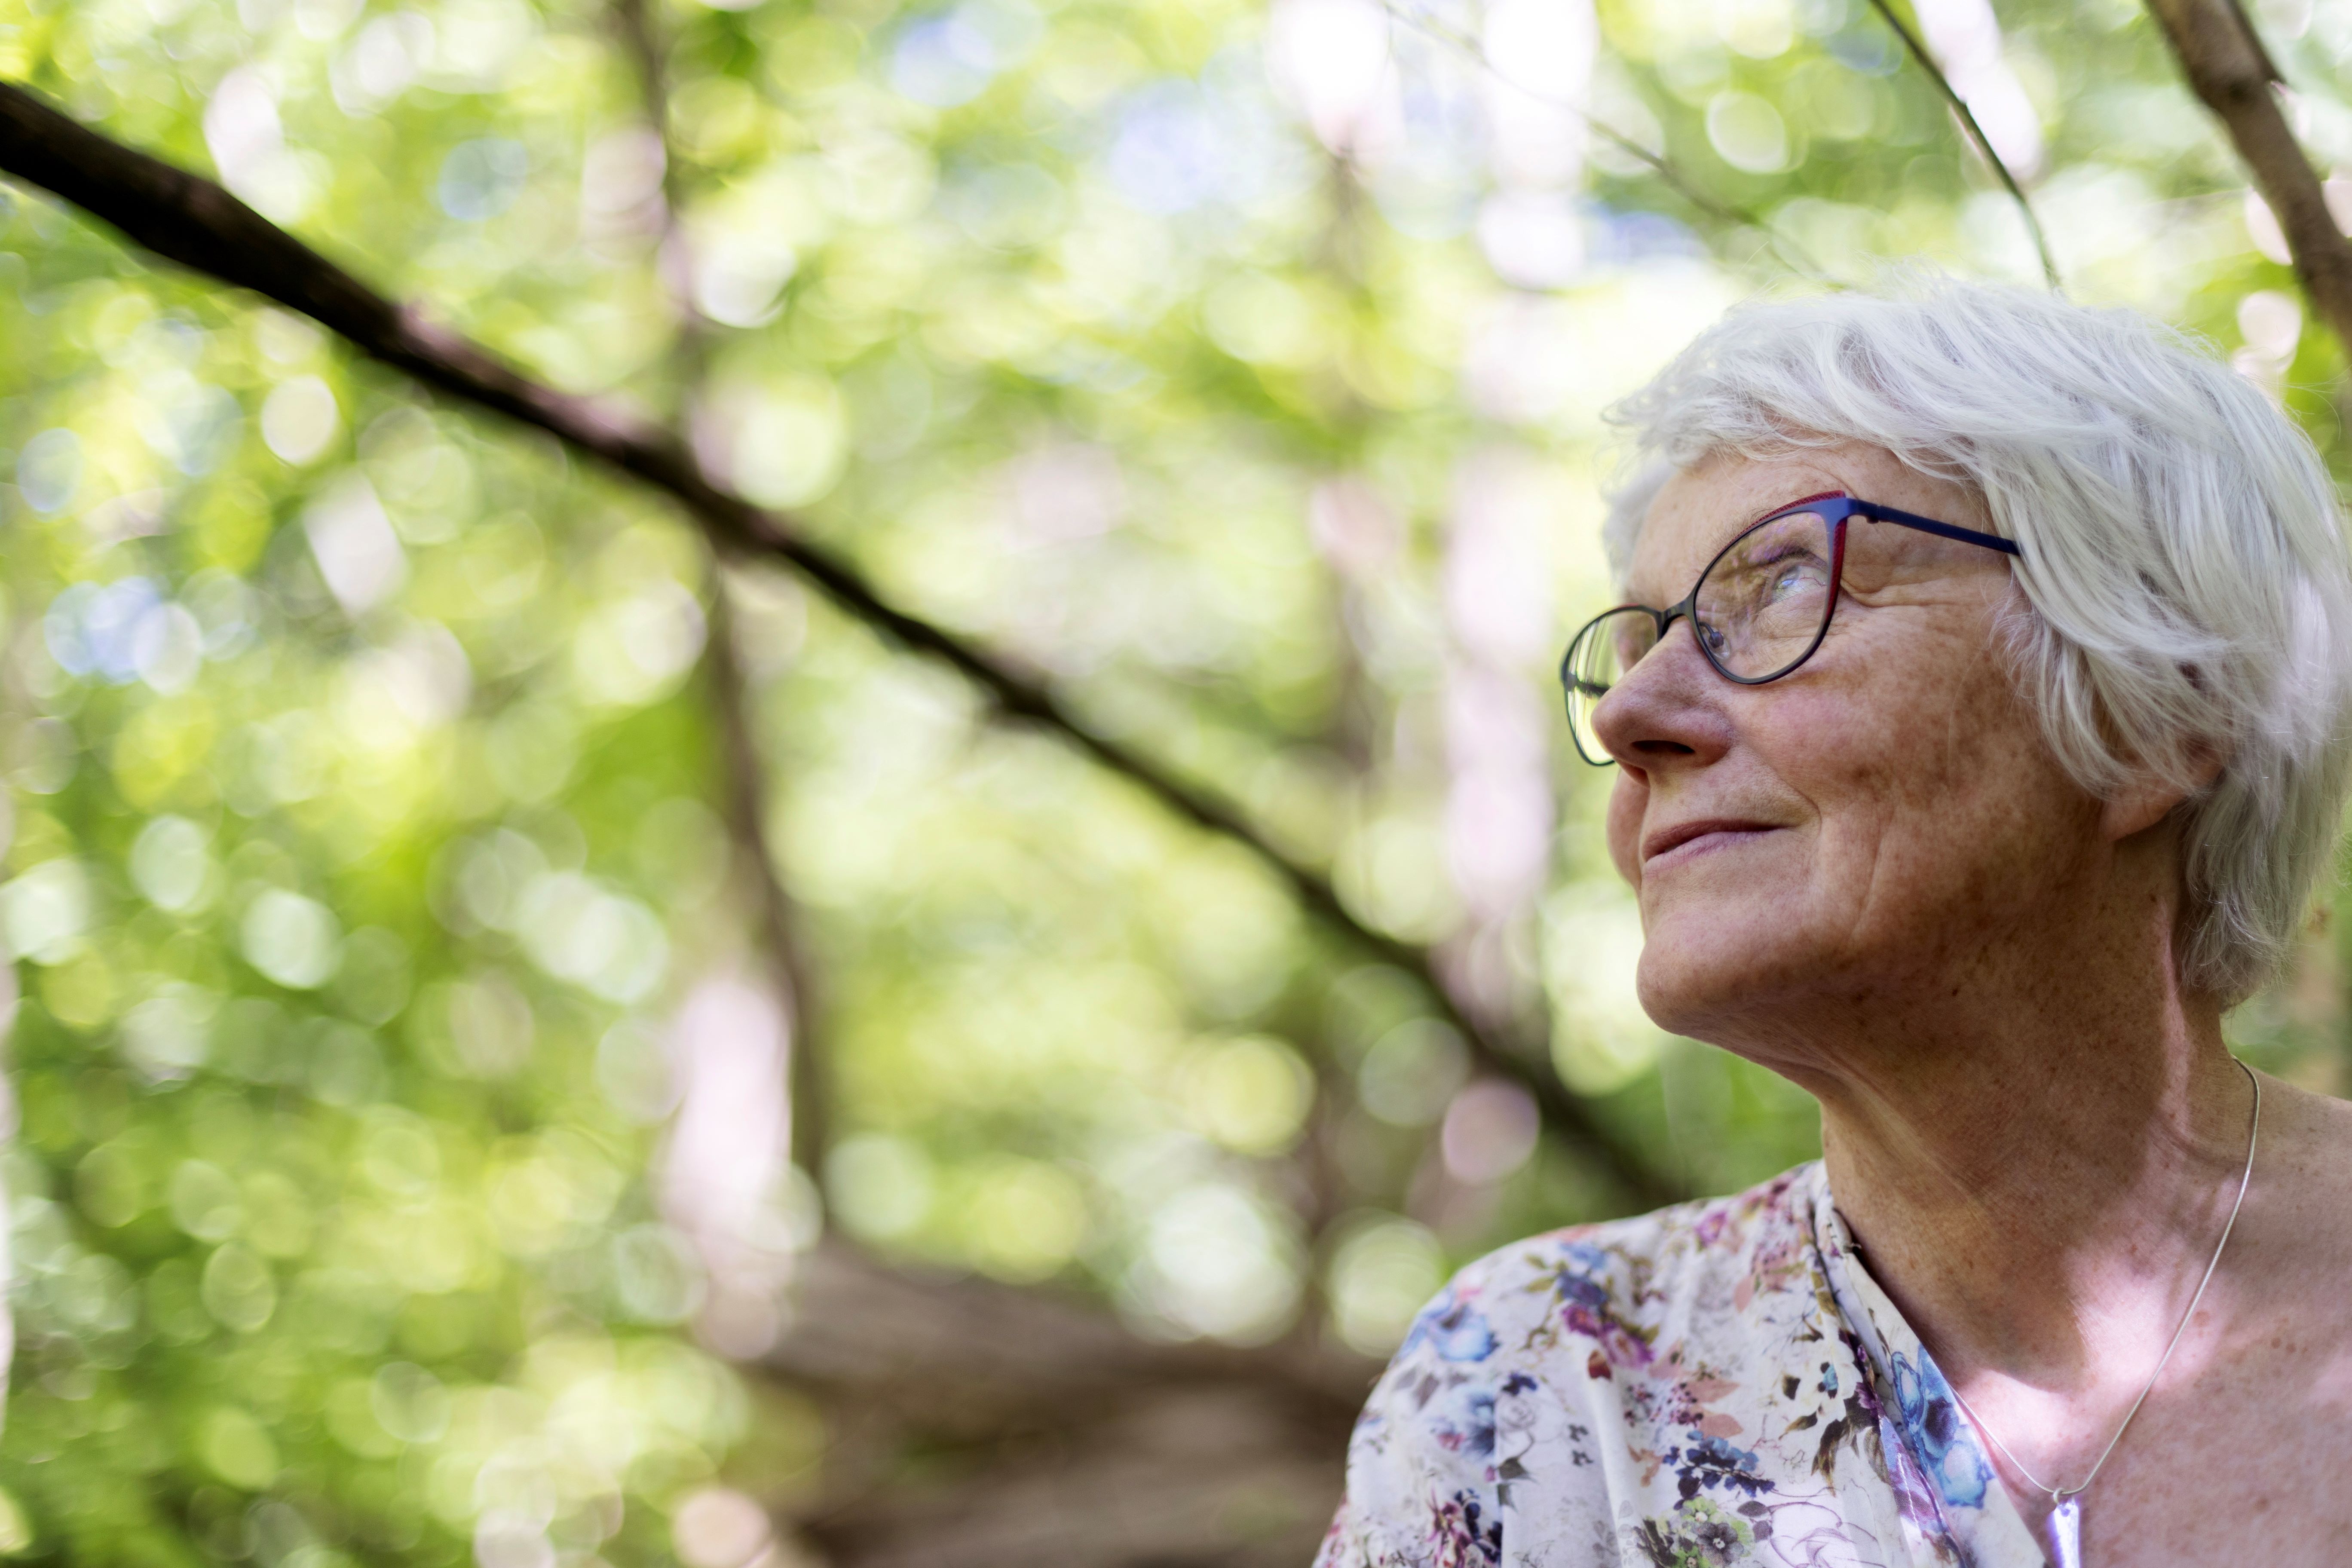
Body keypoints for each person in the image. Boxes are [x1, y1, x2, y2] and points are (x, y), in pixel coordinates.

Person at [1313, 279, 2352, 1568]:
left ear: (2162, 712)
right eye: (1638, 638)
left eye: (1783, 586)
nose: (1628, 714)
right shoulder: (1543, 1381)